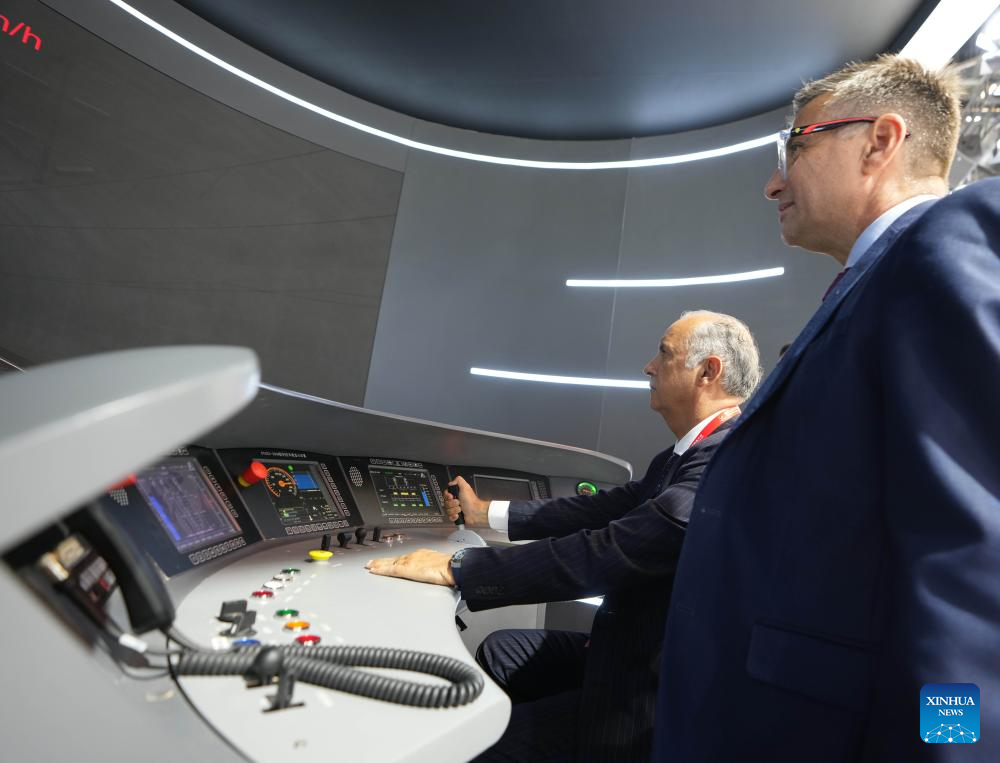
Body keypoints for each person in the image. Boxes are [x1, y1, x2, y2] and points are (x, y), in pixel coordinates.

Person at [652, 56, 1000, 762]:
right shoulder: (873, 286)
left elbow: (973, 561)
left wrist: (955, 744)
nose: (773, 182)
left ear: (880, 141)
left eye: (796, 148)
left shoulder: (943, 244)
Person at [367, 310, 762, 761]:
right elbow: (598, 508)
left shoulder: (719, 462)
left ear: (707, 372)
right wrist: (484, 513)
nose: (648, 367)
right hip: (626, 645)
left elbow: (608, 551)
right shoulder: (684, 454)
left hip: (649, 690)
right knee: (502, 650)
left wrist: (459, 567)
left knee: (487, 751)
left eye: (664, 354)